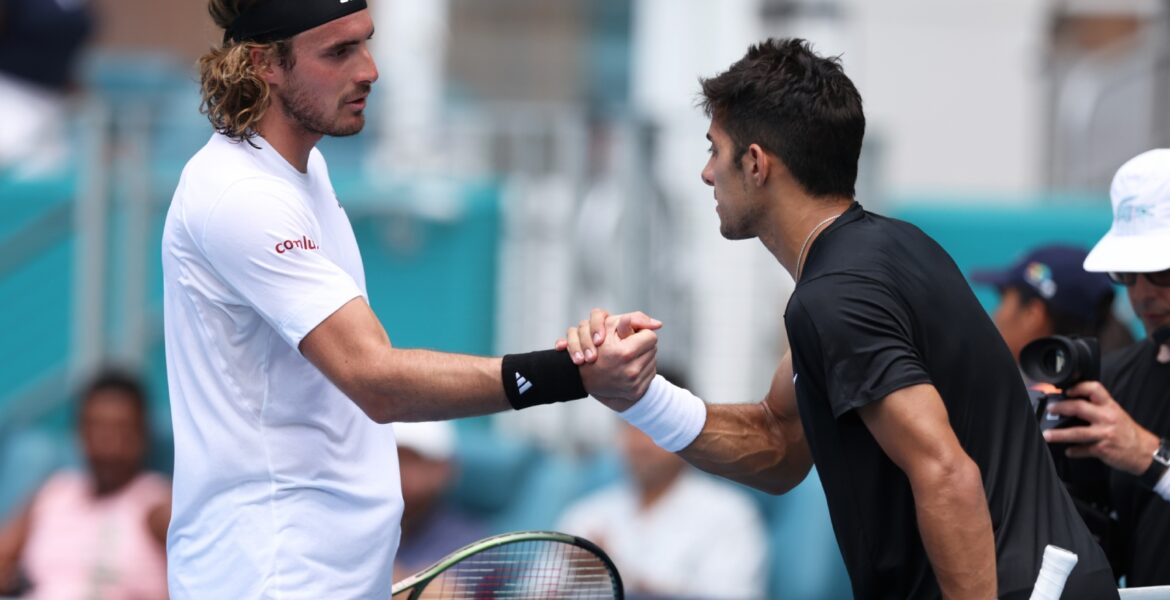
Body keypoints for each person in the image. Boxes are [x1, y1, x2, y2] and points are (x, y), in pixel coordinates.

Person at [561, 39, 1117, 599]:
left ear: (756, 164)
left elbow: (946, 472)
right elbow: (777, 442)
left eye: (715, 149)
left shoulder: (837, 297)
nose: (707, 173)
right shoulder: (889, 252)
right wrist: (638, 395)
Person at [163, 1, 659, 597]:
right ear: (266, 63)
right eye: (339, 52)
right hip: (272, 576)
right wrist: (571, 375)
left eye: (366, 43)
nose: (370, 69)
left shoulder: (304, 173)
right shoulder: (242, 194)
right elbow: (375, 380)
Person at [1040, 148, 1170, 586]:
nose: (1143, 293)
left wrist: (1150, 458)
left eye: (1160, 270)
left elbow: (1145, 461)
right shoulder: (1112, 379)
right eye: (1127, 272)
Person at [556, 369, 768, 600]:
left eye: (652, 426)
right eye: (629, 425)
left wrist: (617, 575)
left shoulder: (730, 516)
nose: (639, 443)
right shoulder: (585, 515)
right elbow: (534, 589)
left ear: (687, 431)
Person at [0, 369, 170, 599]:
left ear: (143, 434)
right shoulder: (54, 493)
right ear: (80, 432)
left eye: (122, 430)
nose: (109, 444)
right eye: (98, 428)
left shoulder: (154, 502)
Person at [971, 244, 1131, 363]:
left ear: (1032, 315)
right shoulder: (1114, 391)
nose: (995, 314)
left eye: (1003, 298)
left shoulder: (1032, 402)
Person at [0, 0, 94, 177]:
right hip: (10, 93)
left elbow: (65, 53)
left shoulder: (76, 7)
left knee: (46, 174)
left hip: (54, 102)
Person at [391, 420, 488, 581]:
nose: (396, 469)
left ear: (442, 468)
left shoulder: (471, 543)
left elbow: (441, 593)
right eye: (391, 457)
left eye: (410, 460)